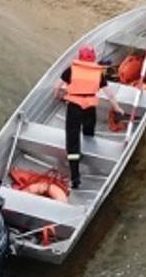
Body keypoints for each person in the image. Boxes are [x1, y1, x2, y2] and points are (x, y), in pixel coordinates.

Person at [58, 46, 105, 189]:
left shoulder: (71, 70)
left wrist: (57, 95)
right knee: (89, 129)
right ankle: (90, 148)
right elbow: (108, 92)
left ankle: (75, 177)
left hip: (74, 107)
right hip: (89, 107)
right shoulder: (99, 74)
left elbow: (57, 86)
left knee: (72, 140)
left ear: (79, 58)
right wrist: (117, 107)